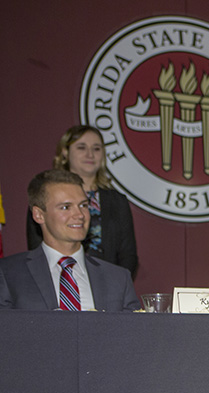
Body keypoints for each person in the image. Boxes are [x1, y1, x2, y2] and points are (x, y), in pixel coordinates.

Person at [0, 169, 141, 311]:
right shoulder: (8, 274)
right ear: (39, 215)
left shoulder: (118, 278)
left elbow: (131, 331)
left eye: (83, 205)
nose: (79, 214)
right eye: (66, 207)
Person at [27, 125, 138, 277]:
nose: (90, 154)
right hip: (58, 281)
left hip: (107, 284)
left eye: (96, 148)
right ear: (65, 152)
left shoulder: (117, 201)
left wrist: (116, 284)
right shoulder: (45, 193)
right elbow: (36, 246)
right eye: (81, 147)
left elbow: (128, 255)